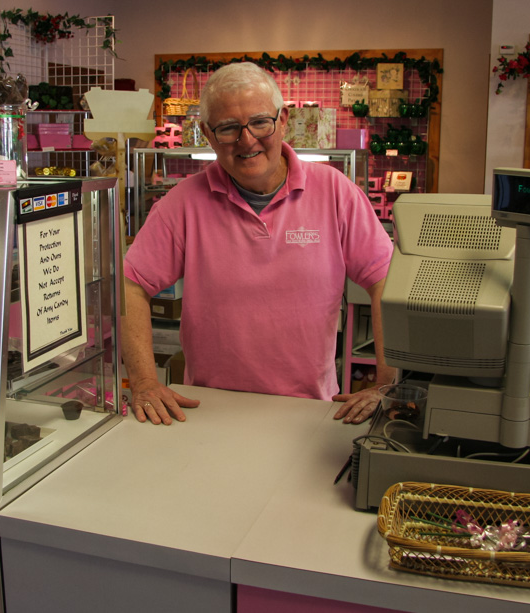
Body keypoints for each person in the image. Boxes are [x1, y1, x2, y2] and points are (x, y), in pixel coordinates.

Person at [122, 61, 396, 425]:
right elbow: (129, 285)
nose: (247, 140)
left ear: (283, 120)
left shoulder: (335, 192)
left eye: (259, 123)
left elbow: (387, 284)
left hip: (309, 412)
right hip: (210, 412)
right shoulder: (183, 203)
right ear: (207, 133)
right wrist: (144, 382)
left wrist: (386, 385)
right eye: (228, 128)